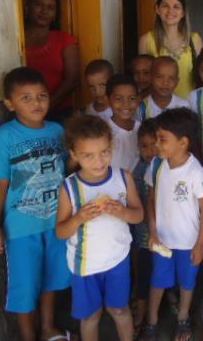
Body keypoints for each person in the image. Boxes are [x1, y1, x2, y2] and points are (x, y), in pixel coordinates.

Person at [0, 67, 71, 341]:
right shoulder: (4, 136)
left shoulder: (57, 130)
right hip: (21, 226)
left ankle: (47, 328)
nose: (37, 103)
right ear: (10, 104)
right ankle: (27, 335)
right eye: (26, 98)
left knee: (51, 279)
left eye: (42, 96)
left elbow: (64, 169)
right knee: (26, 284)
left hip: (57, 221)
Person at [56, 115, 144, 341]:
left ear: (111, 147)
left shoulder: (123, 178)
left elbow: (138, 215)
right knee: (91, 316)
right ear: (74, 155)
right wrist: (78, 218)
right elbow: (61, 231)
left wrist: (122, 212)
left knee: (119, 309)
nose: (98, 161)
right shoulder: (70, 187)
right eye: (88, 155)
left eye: (104, 152)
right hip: (85, 264)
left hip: (118, 259)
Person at [140, 109, 203, 341]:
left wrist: (201, 244)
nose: (157, 145)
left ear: (183, 142)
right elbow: (151, 199)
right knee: (158, 281)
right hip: (162, 241)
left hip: (189, 242)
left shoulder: (195, 171)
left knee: (187, 283)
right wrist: (152, 232)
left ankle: (183, 317)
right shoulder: (157, 166)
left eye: (162, 140)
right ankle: (151, 322)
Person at [24, 0, 80, 120]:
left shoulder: (64, 40)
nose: (44, 11)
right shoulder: (16, 39)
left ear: (55, 14)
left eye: (50, 7)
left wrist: (45, 106)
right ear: (27, 7)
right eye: (39, 5)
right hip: (23, 112)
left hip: (58, 112)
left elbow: (72, 80)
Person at [138, 0, 203, 99]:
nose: (170, 10)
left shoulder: (195, 39)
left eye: (176, 6)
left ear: (183, 12)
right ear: (158, 10)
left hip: (187, 106)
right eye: (165, 6)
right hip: (158, 107)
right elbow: (143, 79)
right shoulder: (146, 40)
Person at [130, 119, 158, 337]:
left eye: (153, 144)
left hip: (164, 230)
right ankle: (141, 308)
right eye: (144, 145)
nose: (149, 150)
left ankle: (169, 296)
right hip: (143, 233)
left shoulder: (165, 165)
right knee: (144, 270)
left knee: (163, 269)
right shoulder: (137, 170)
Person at [106, 74, 141, 171]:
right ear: (108, 101)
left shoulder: (142, 129)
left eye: (132, 98)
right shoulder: (103, 132)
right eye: (119, 99)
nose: (126, 103)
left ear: (138, 100)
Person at [138, 56, 189, 121]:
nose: (165, 83)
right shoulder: (142, 107)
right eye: (159, 77)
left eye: (171, 78)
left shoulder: (183, 106)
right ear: (151, 78)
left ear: (176, 82)